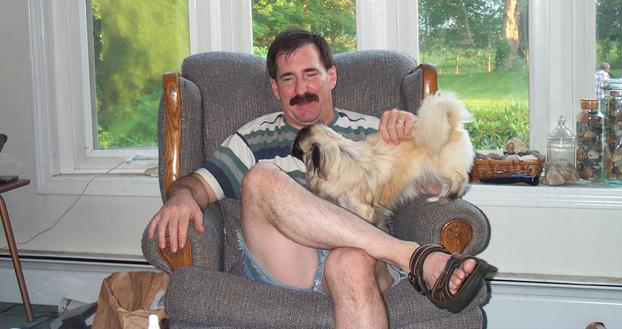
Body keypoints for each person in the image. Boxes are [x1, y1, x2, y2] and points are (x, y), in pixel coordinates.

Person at [147, 28, 492, 328]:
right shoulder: (252, 138)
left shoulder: (374, 130)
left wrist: (419, 137)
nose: (301, 88)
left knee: (351, 262)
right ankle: (413, 257)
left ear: (331, 77)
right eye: (288, 79)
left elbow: (435, 187)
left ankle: (404, 257)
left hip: (364, 261)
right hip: (285, 262)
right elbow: (196, 185)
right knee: (261, 178)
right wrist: (181, 196)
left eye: (311, 73)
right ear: (275, 88)